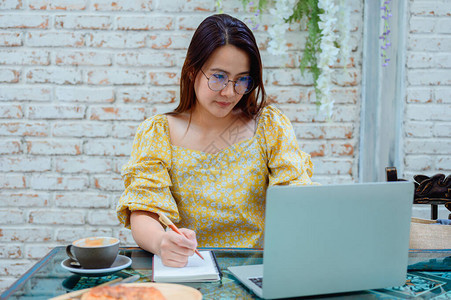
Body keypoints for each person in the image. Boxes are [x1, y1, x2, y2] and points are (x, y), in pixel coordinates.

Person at [117, 14, 314, 268]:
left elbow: (296, 200)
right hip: (187, 273)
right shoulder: (158, 132)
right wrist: (161, 243)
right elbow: (144, 211)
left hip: (256, 271)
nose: (230, 92)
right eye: (218, 77)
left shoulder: (269, 126)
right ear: (191, 71)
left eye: (242, 79)